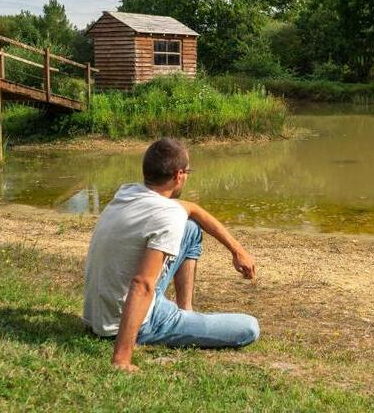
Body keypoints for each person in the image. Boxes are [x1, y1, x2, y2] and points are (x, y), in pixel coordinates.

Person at [82, 137, 258, 372]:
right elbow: (142, 284)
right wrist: (121, 359)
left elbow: (193, 209)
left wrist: (237, 250)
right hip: (131, 322)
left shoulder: (128, 191)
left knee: (191, 229)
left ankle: (186, 312)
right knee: (249, 328)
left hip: (99, 314)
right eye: (188, 171)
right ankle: (170, 324)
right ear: (179, 175)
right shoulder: (168, 215)